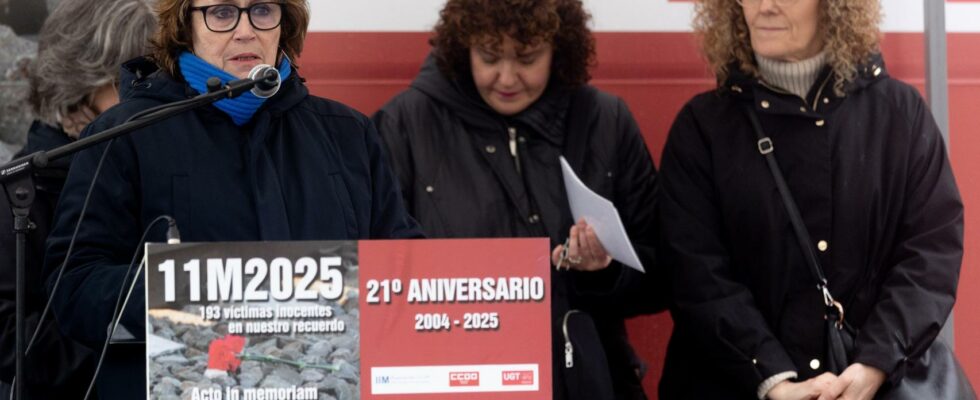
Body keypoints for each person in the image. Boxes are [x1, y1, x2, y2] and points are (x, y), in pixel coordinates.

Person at [43, 0, 421, 397]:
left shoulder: (349, 134)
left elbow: (406, 267)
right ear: (185, 26)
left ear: (283, 22)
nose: (246, 30)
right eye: (222, 13)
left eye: (262, 10)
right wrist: (192, 296)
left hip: (325, 383)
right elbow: (75, 286)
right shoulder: (125, 135)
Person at [658, 0, 964, 399]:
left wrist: (875, 364)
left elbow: (930, 255)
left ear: (836, 7)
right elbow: (696, 273)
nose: (763, 7)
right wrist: (773, 380)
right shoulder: (702, 128)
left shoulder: (899, 114)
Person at [373, 0, 664, 398]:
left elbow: (663, 274)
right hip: (454, 383)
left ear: (559, 48)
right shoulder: (404, 125)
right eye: (489, 57)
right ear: (463, 46)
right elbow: (373, 283)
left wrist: (603, 271)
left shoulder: (604, 121)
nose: (507, 78)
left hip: (586, 382)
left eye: (528, 58)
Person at [0, 0, 157, 397]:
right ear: (80, 81)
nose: (150, 100)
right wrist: (122, 371)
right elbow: (8, 331)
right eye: (129, 82)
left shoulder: (151, 166)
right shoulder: (20, 193)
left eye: (159, 81)